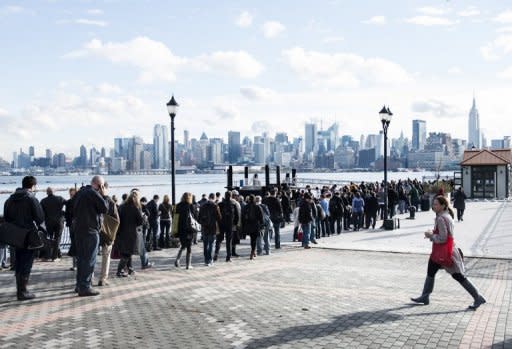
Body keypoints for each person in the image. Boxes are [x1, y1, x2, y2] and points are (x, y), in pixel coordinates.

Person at [411, 195, 486, 310]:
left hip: (444, 252)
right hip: (443, 251)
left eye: (436, 204)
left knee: (458, 276)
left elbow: (443, 238)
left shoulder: (441, 218)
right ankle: (425, 296)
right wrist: (433, 232)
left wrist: (431, 236)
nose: (433, 206)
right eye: (433, 203)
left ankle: (477, 297)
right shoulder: (446, 216)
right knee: (431, 271)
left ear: (443, 205)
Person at [3, 176, 44, 300]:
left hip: (14, 235)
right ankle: (23, 291)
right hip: (28, 235)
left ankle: (19, 290)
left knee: (18, 262)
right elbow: (40, 218)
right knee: (26, 262)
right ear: (33, 186)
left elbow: (6, 217)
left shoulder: (10, 199)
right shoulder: (31, 199)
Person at [73, 175, 108, 297]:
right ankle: (85, 287)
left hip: (78, 230)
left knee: (81, 259)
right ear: (99, 185)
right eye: (102, 186)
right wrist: (104, 195)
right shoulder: (93, 193)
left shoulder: (80, 193)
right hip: (90, 231)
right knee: (89, 259)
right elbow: (104, 208)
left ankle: (79, 285)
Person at [115, 190, 144, 278]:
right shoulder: (134, 208)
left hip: (120, 232)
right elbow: (140, 221)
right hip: (130, 233)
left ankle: (130, 269)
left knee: (127, 252)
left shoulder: (121, 206)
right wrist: (143, 217)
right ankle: (119, 271)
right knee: (127, 253)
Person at [98, 183, 120, 286]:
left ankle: (89, 278)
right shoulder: (110, 202)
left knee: (91, 256)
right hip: (107, 233)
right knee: (106, 256)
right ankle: (103, 278)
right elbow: (116, 220)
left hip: (94, 232)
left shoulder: (92, 200)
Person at [40, 187, 66, 261]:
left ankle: (47, 256)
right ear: (54, 191)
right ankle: (55, 257)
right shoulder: (60, 198)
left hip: (48, 222)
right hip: (59, 221)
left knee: (49, 239)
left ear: (47, 193)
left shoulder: (43, 201)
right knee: (57, 238)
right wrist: (64, 214)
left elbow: (40, 212)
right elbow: (69, 204)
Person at [174, 192, 198, 270]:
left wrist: (175, 230)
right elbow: (195, 216)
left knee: (183, 245)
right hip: (189, 229)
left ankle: (177, 260)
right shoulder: (191, 206)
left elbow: (175, 219)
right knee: (189, 246)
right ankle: (188, 264)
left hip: (181, 229)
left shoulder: (177, 206)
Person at [214, 191, 239, 262]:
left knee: (219, 240)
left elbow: (216, 215)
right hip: (230, 225)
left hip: (221, 224)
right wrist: (235, 224)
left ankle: (216, 254)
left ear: (225, 196)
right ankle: (228, 257)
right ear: (231, 196)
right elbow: (237, 216)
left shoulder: (220, 204)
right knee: (229, 241)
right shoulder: (233, 204)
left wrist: (218, 223)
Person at [199, 193, 221, 266]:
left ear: (208, 197)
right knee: (211, 244)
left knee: (205, 244)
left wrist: (203, 223)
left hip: (205, 227)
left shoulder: (203, 206)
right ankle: (210, 260)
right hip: (212, 227)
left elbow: (199, 218)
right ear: (214, 198)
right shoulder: (215, 206)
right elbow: (219, 218)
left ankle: (206, 260)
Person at [241, 194, 264, 260]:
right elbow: (261, 217)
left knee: (252, 239)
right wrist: (262, 225)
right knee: (254, 239)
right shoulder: (257, 207)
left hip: (248, 225)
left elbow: (243, 216)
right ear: (254, 199)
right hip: (256, 225)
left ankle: (253, 252)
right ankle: (252, 252)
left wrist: (243, 225)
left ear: (249, 199)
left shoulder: (246, 207)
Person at [64, 188, 77, 271]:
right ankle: (75, 264)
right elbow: (67, 214)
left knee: (76, 244)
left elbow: (67, 214)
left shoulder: (70, 202)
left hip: (75, 225)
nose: (71, 195)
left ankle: (76, 264)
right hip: (73, 225)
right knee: (74, 244)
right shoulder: (69, 202)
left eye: (72, 194)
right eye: (71, 194)